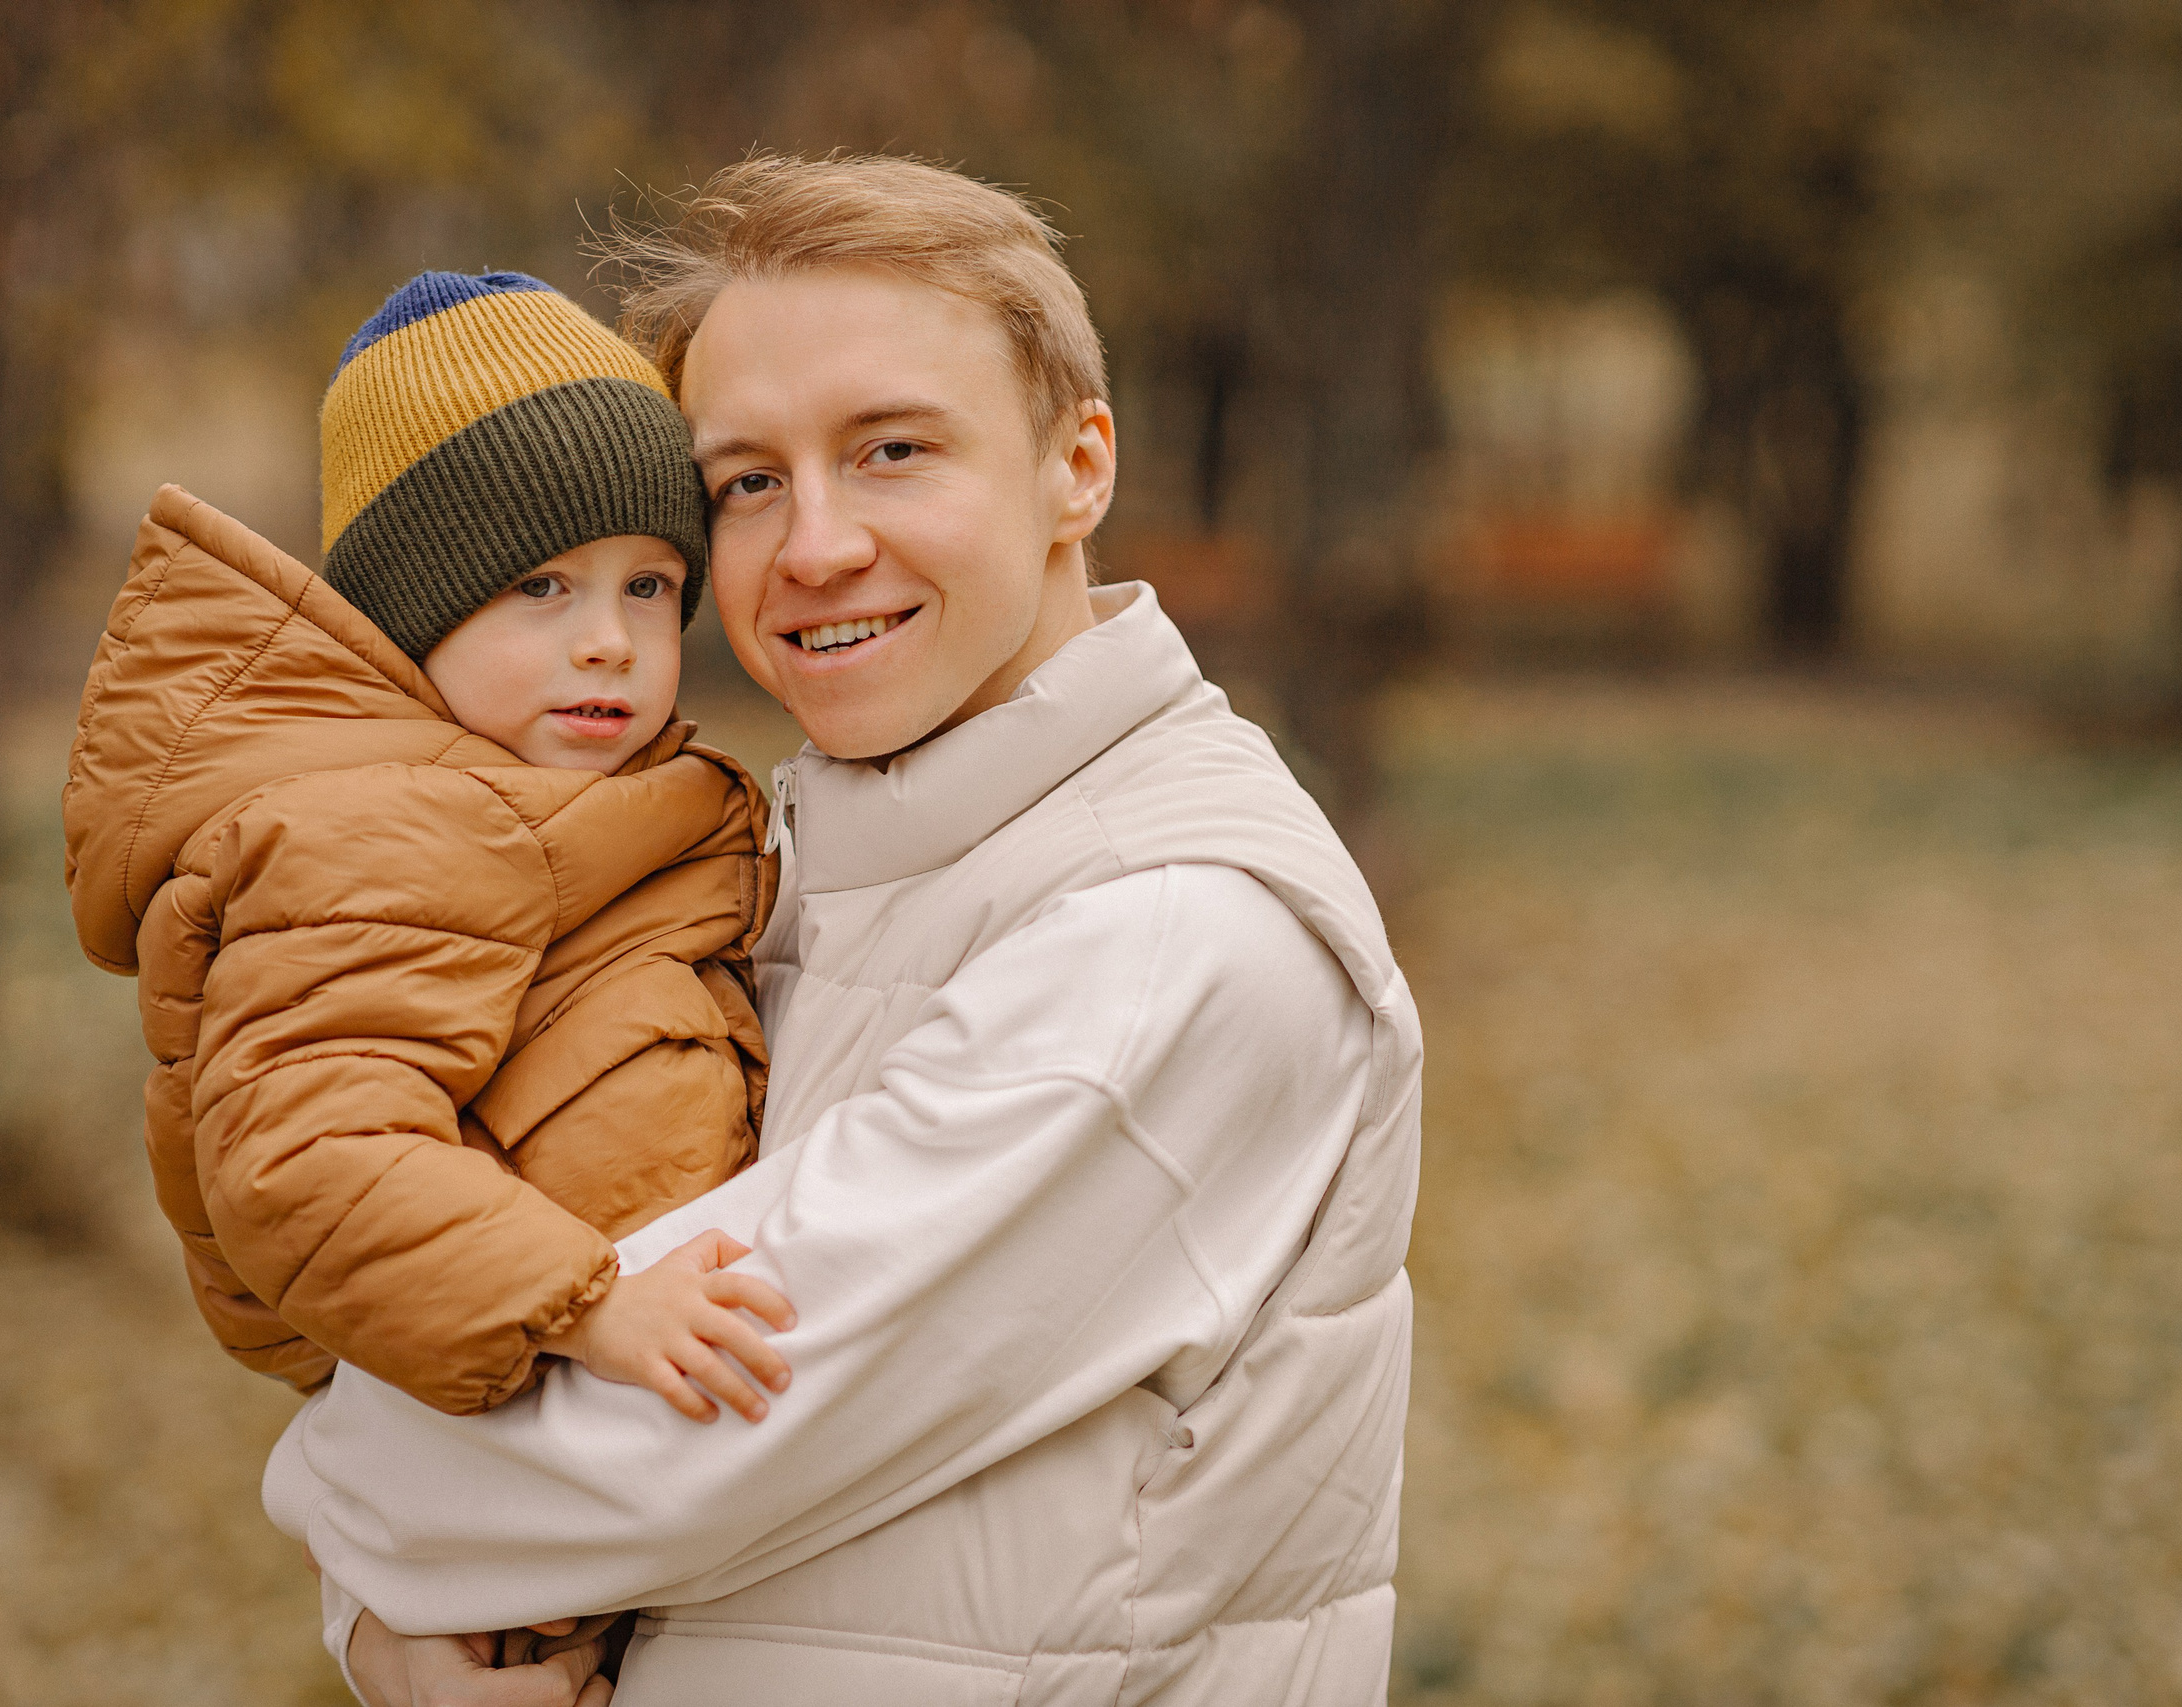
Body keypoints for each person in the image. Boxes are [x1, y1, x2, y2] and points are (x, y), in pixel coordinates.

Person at [263, 154, 1424, 1707]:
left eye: (891, 451)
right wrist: (395, 1635)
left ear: (1078, 465)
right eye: (746, 481)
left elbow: (677, 1447)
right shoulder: (759, 866)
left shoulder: (1175, 928)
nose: (814, 547)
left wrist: (333, 1508)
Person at [63, 270, 797, 1439]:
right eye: (540, 588)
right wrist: (588, 1310)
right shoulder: (369, 837)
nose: (607, 642)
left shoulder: (606, 816)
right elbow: (306, 1155)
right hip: (552, 1392)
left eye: (648, 586)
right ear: (415, 616)